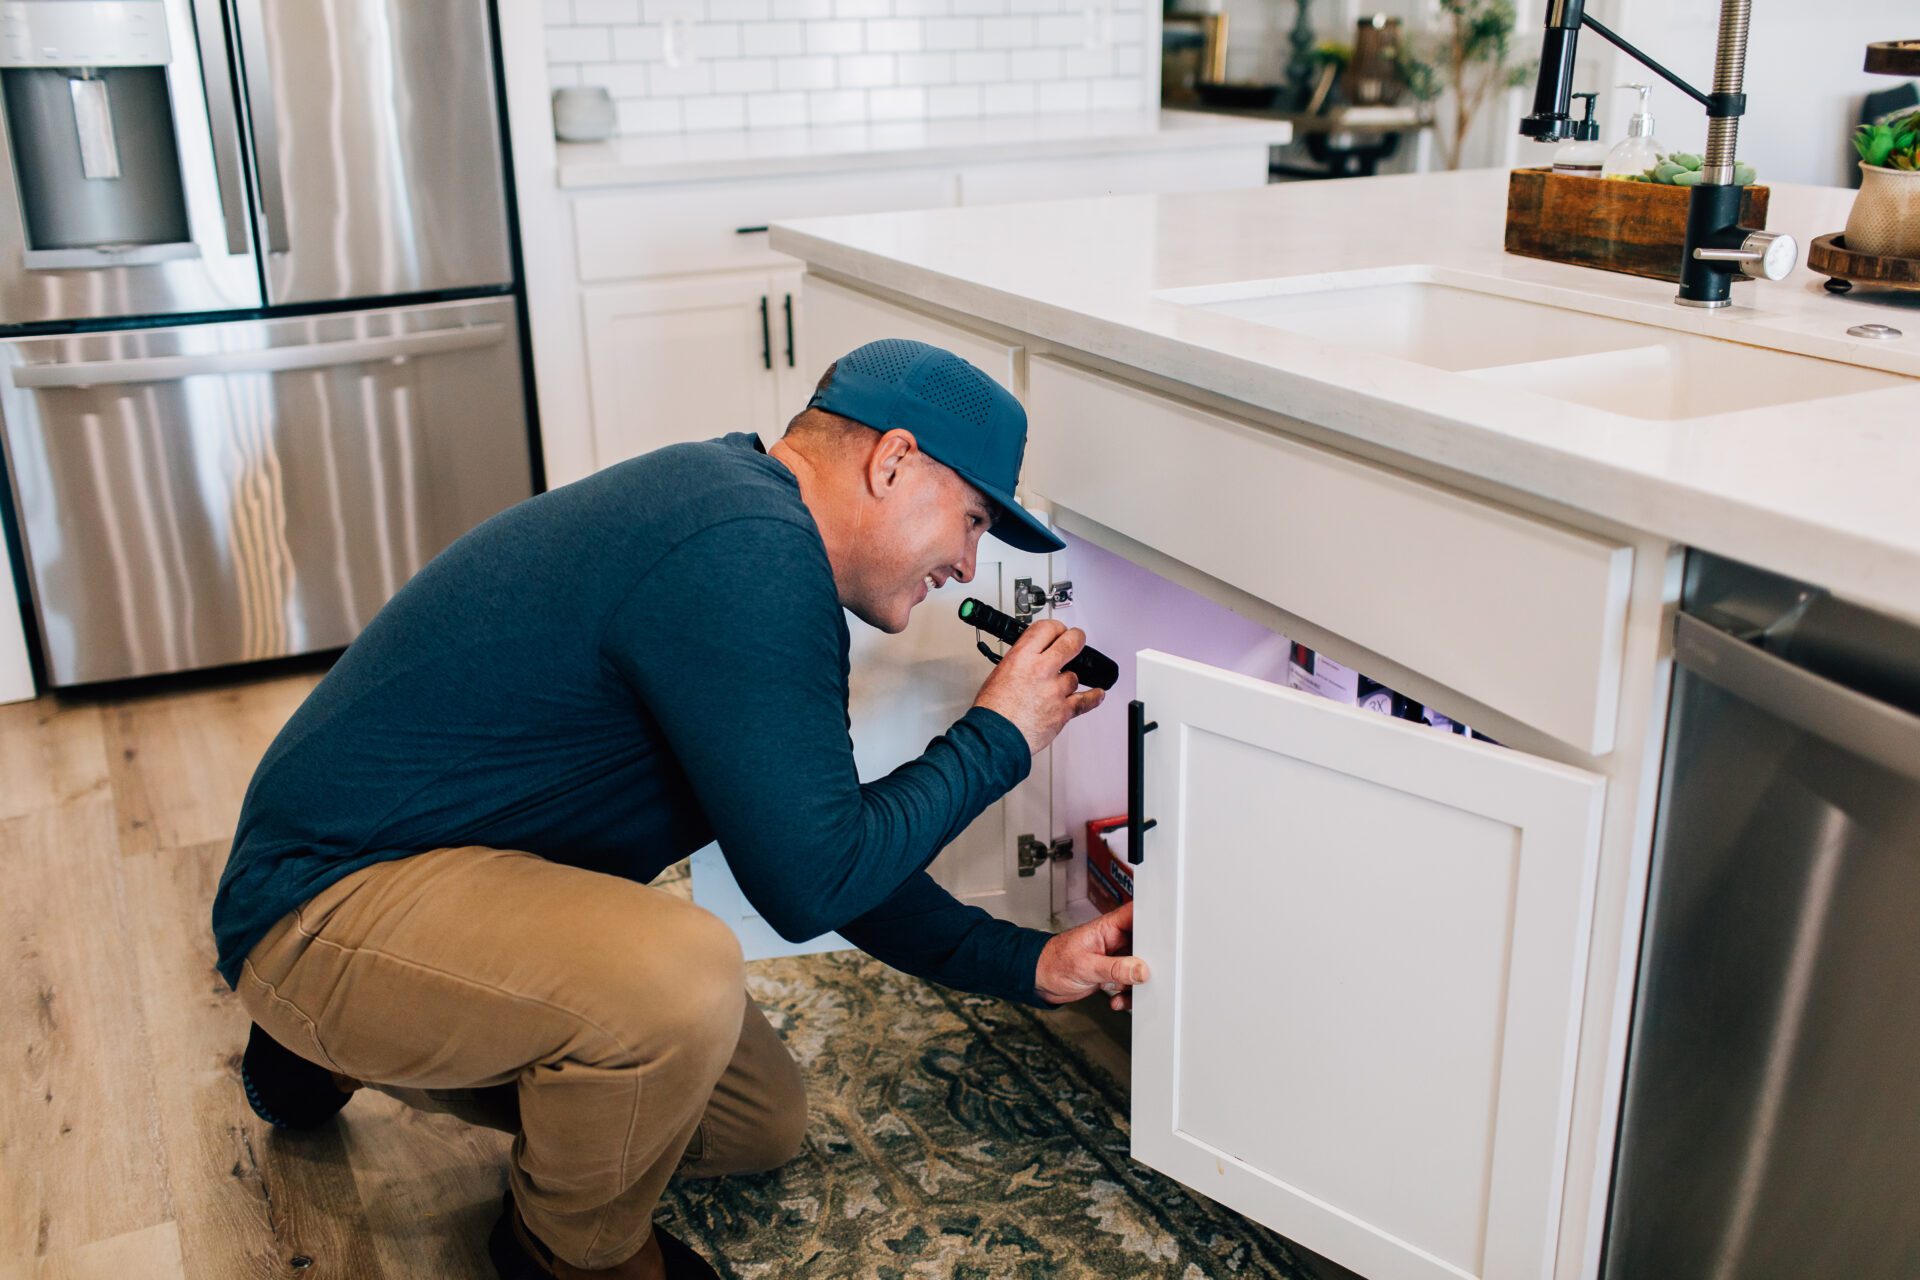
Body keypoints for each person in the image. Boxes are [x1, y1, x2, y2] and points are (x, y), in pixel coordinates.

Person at [210, 338, 1150, 1280]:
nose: (966, 563)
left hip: (449, 877)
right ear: (893, 459)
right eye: (974, 520)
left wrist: (1025, 961)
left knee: (753, 1120)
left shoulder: (746, 529)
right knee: (681, 982)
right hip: (318, 898)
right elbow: (812, 881)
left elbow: (816, 844)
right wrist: (1001, 738)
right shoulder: (743, 551)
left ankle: (334, 1050)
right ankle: (565, 1252)